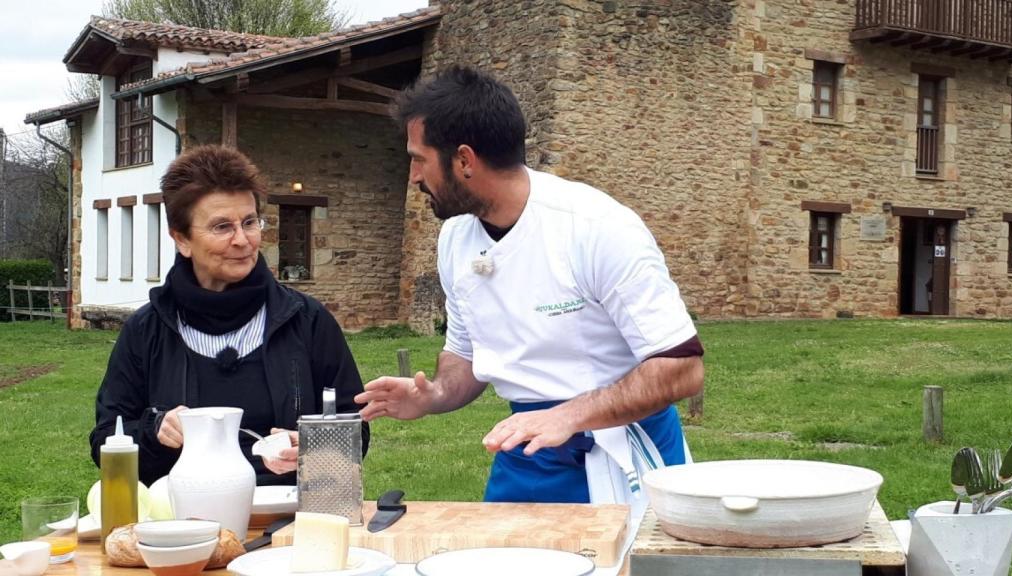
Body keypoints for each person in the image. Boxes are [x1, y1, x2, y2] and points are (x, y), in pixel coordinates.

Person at [357, 66, 704, 507]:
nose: (414, 177)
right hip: (525, 455)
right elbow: (465, 354)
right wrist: (435, 395)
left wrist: (572, 415)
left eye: (418, 158)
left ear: (464, 160)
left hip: (628, 452)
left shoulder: (597, 227)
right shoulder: (455, 239)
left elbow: (682, 367)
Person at [89, 145, 368, 486]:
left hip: (288, 519)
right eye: (222, 227)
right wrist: (154, 430)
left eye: (250, 222)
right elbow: (106, 440)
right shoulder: (147, 330)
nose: (244, 240)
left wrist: (312, 446)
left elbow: (355, 428)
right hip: (183, 523)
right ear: (182, 239)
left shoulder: (306, 320)